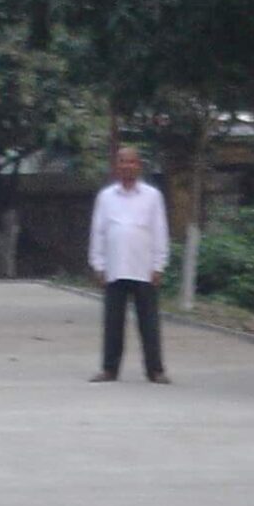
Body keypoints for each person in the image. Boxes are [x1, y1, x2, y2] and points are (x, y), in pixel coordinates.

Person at [88, 145, 172, 383]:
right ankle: (109, 369)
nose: (127, 166)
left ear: (139, 166)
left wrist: (159, 264)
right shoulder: (106, 197)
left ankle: (155, 370)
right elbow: (99, 232)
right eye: (122, 162)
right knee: (113, 323)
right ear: (117, 166)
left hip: (144, 268)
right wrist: (98, 264)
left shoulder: (152, 197)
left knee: (149, 323)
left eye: (131, 162)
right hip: (115, 268)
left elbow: (159, 231)